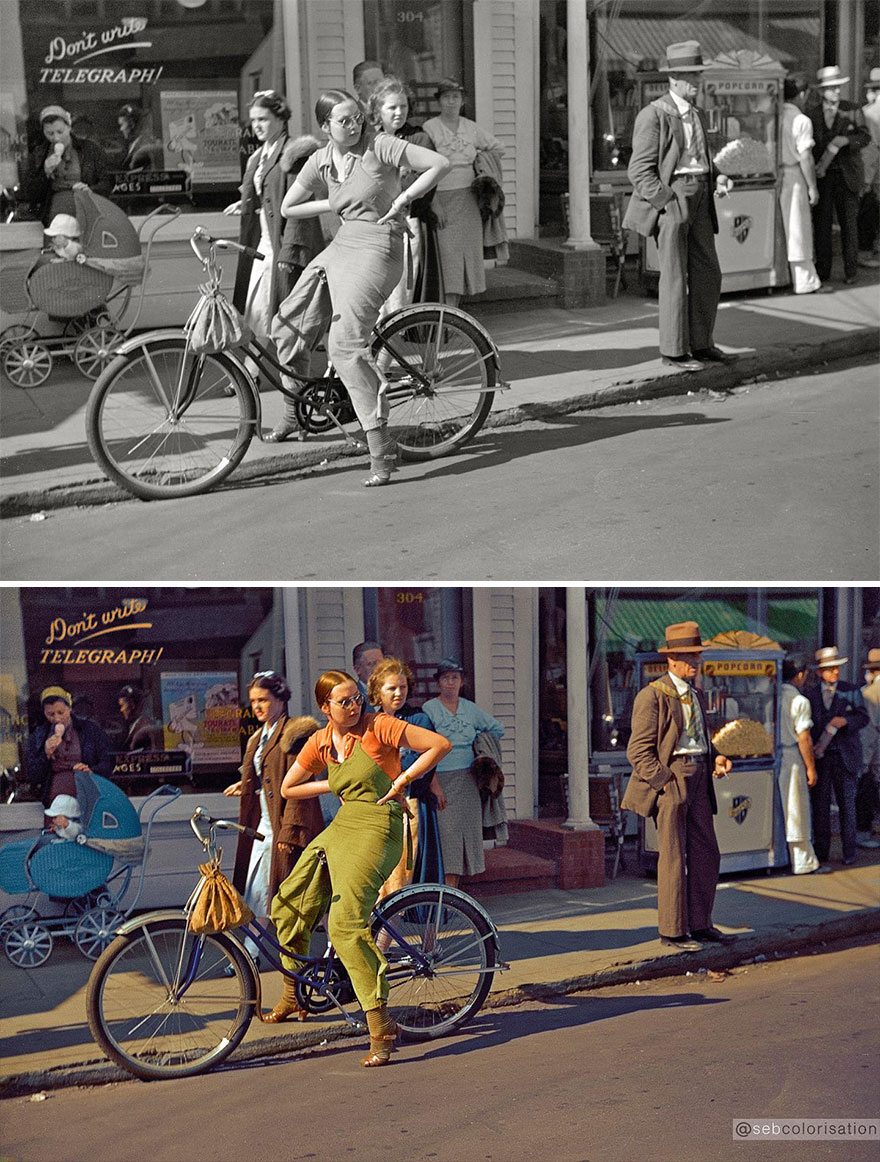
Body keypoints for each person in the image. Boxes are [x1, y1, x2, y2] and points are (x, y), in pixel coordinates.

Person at [270, 669, 450, 1066]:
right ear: (324, 708)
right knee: (287, 901)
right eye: (344, 701)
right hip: (346, 823)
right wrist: (331, 785)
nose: (354, 706)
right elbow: (288, 787)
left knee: (345, 923)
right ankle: (290, 993)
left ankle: (381, 1027)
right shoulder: (320, 740)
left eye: (356, 699)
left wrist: (401, 778)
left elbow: (439, 744)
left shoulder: (378, 725)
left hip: (381, 824)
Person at [271, 89, 449, 485]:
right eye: (343, 121)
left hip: (380, 244)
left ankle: (380, 449)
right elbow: (288, 207)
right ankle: (290, 413)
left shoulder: (379, 145)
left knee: (345, 345)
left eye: (356, 118)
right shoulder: (320, 159)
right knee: (287, 323)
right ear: (324, 127)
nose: (353, 126)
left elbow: (439, 163)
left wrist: (403, 197)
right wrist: (332, 204)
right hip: (345, 243)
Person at [621, 622, 734, 952]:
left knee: (706, 852)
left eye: (697, 656)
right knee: (672, 856)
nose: (696, 662)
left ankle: (700, 923)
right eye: (690, 657)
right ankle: (673, 931)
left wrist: (716, 758)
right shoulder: (653, 695)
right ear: (672, 659)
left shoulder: (696, 693)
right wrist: (664, 782)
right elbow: (637, 751)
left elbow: (700, 739)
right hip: (672, 777)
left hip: (699, 776)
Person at [623, 42, 734, 373]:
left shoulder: (697, 113)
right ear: (673, 78)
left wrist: (719, 177)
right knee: (673, 276)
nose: (697, 82)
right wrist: (665, 200)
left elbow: (701, 159)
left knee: (708, 272)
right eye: (690, 76)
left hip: (700, 195)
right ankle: (673, 352)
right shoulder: (654, 114)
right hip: (674, 197)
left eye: (698, 75)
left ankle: (701, 343)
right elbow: (638, 170)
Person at [224, 91, 324, 438]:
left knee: (287, 331)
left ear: (282, 119)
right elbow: (260, 195)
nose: (258, 126)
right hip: (262, 249)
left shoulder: (294, 154)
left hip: (286, 251)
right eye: (253, 121)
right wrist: (244, 206)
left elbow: (299, 211)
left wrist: (289, 258)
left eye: (264, 119)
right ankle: (253, 386)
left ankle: (293, 414)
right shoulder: (258, 156)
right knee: (255, 322)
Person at [223, 671, 324, 976]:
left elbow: (299, 789)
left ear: (280, 699)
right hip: (262, 826)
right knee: (258, 891)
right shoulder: (259, 736)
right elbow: (267, 776)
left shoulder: (294, 733)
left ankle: (252, 956)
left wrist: (290, 830)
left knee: (268, 893)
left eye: (264, 700)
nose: (258, 706)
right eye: (253, 701)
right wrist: (246, 786)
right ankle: (260, 954)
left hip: (283, 825)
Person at [367, 656, 447, 903]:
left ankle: (388, 938)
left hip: (409, 806)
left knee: (402, 877)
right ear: (378, 691)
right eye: (391, 687)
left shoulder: (418, 719)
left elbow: (427, 759)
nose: (398, 693)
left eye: (402, 687)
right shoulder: (369, 722)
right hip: (375, 809)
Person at [421, 658, 504, 888]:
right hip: (443, 780)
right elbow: (424, 746)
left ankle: (454, 896)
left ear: (462, 681)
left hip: (469, 781)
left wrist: (479, 739)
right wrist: (433, 781)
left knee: (467, 838)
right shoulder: (430, 708)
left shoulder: (469, 708)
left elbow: (498, 728)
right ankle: (447, 895)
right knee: (448, 841)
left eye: (454, 678)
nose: (450, 683)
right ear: (438, 683)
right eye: (445, 678)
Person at [422, 79, 504, 307]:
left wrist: (480, 161)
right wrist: (434, 200)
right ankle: (444, 316)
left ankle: (453, 315)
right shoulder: (430, 128)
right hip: (442, 198)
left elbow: (498, 148)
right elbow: (423, 167)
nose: (451, 101)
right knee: (448, 260)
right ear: (438, 100)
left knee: (465, 258)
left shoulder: (471, 127)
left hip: (469, 199)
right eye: (446, 97)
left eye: (455, 97)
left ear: (462, 100)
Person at [368, 77, 432, 320]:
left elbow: (423, 183)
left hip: (404, 224)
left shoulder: (418, 139)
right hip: (370, 228)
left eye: (403, 106)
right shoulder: (369, 141)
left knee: (396, 298)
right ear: (377, 110)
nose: (399, 112)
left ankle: (386, 356)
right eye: (392, 107)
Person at [806, 646, 870, 866]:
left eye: (836, 668)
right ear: (819, 672)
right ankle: (822, 853)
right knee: (820, 807)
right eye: (830, 669)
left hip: (845, 756)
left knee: (847, 806)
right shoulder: (810, 694)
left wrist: (846, 722)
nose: (835, 672)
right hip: (822, 758)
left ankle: (849, 852)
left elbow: (864, 718)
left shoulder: (851, 690)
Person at [808, 65, 870, 286]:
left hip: (847, 176)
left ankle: (850, 271)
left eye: (837, 87)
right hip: (823, 177)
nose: (835, 91)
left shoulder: (853, 110)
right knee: (822, 225)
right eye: (831, 88)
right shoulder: (812, 113)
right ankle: (823, 272)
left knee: (849, 225)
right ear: (821, 91)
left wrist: (847, 141)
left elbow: (865, 138)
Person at [25, 686, 114, 814]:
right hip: (56, 795)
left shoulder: (90, 730)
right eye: (50, 714)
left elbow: (108, 760)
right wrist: (45, 755)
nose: (56, 719)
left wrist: (92, 771)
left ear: (69, 708)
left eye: (61, 712)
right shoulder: (38, 737)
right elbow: (33, 776)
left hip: (86, 790)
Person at [779, 76, 827, 295]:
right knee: (799, 228)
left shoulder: (776, 114)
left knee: (784, 228)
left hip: (777, 175)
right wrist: (812, 186)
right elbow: (805, 157)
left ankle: (787, 277)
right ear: (802, 94)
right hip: (794, 176)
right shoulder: (801, 120)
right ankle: (805, 281)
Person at [779, 655, 827, 874]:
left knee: (782, 809)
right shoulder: (799, 701)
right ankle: (802, 861)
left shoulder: (775, 695)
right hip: (792, 757)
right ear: (800, 675)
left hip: (776, 757)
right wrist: (811, 767)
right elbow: (804, 738)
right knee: (796, 808)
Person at [23, 105, 110, 225]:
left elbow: (107, 182)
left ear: (69, 127)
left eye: (60, 131)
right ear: (43, 132)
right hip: (56, 211)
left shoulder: (90, 149)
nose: (56, 138)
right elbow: (30, 194)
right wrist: (45, 173)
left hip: (86, 207)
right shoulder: (39, 155)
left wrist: (91, 190)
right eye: (50, 133)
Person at [857, 69, 880, 269]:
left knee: (869, 206)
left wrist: (866, 178)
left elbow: (870, 149)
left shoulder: (869, 113)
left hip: (874, 167)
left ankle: (867, 250)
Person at [859, 648, 880, 848]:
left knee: (865, 783)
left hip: (869, 743)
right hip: (874, 745)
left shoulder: (866, 692)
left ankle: (864, 829)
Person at [117, 684, 163, 752]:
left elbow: (154, 753)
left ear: (132, 704)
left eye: (122, 705)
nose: (121, 710)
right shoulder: (129, 726)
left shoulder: (146, 727)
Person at [352, 640, 386, 706]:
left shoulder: (394, 692)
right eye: (372, 664)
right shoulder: (353, 696)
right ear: (357, 669)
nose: (379, 668)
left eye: (382, 663)